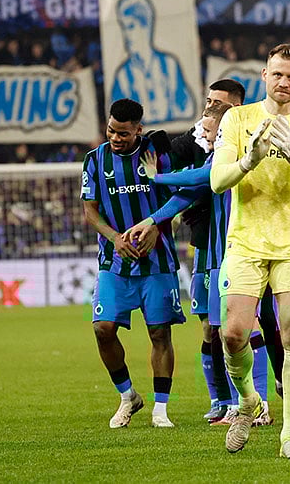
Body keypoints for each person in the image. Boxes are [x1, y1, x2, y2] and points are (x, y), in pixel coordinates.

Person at [209, 43, 290, 458]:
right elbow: (217, 181)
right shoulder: (237, 118)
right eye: (277, 74)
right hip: (245, 241)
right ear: (264, 75)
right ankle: (248, 400)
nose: (284, 82)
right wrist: (249, 160)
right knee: (232, 333)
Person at [81, 98, 185, 429]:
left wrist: (157, 226)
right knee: (102, 328)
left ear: (138, 130)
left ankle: (161, 409)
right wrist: (115, 238)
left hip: (157, 260)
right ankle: (128, 396)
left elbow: (179, 197)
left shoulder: (158, 155)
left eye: (123, 133)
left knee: (159, 333)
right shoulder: (94, 159)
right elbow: (90, 211)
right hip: (115, 261)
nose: (115, 137)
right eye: (111, 130)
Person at [166, 79, 245, 423]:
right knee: (210, 329)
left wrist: (158, 179)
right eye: (208, 101)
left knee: (243, 329)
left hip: (239, 250)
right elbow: (178, 166)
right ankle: (221, 399)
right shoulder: (201, 142)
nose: (209, 108)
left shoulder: (242, 143)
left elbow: (200, 178)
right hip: (205, 248)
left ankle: (251, 399)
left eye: (217, 103)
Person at [110, 0, 195, 124]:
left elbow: (187, 109)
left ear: (146, 27)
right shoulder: (122, 75)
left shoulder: (170, 65)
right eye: (123, 28)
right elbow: (116, 119)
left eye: (131, 27)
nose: (126, 35)